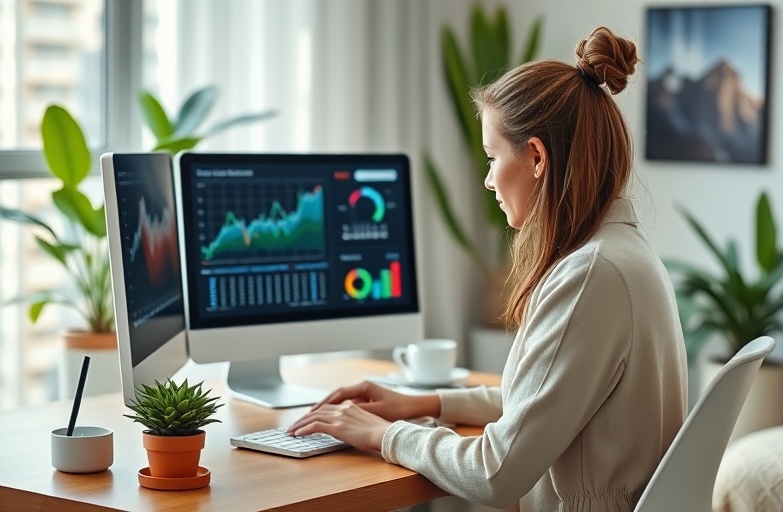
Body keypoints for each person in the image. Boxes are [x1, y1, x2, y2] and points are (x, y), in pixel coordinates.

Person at [287, 25, 688, 512]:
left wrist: (384, 434)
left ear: (536, 157)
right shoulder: (623, 253)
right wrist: (428, 403)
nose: (487, 180)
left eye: (492, 157)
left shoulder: (592, 275)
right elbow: (545, 403)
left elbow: (496, 473)